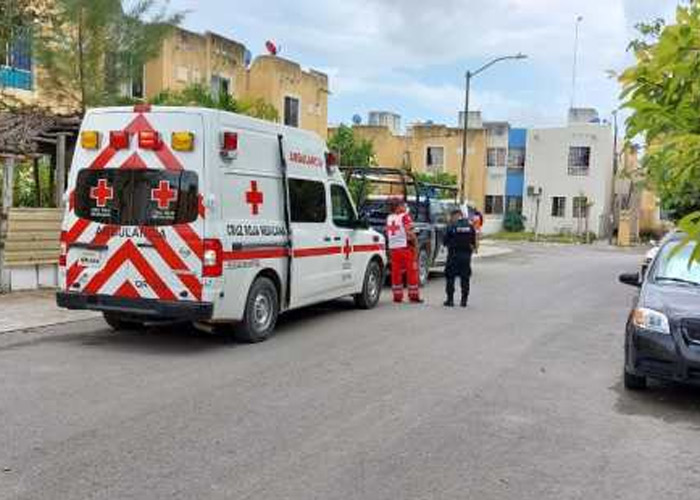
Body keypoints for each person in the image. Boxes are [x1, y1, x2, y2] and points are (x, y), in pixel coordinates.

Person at [386, 198, 423, 304]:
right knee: (412, 271)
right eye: (403, 205)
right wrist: (416, 246)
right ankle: (413, 296)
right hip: (405, 248)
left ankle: (397, 296)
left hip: (394, 249)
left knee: (396, 273)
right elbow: (410, 233)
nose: (404, 207)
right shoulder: (405, 217)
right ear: (398, 206)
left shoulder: (389, 218)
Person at [443, 209, 477, 308]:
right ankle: (464, 301)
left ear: (455, 216)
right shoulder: (470, 227)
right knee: (465, 278)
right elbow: (473, 243)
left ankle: (450, 300)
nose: (451, 218)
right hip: (466, 256)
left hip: (453, 255)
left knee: (450, 277)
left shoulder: (451, 226)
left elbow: (445, 241)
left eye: (452, 216)